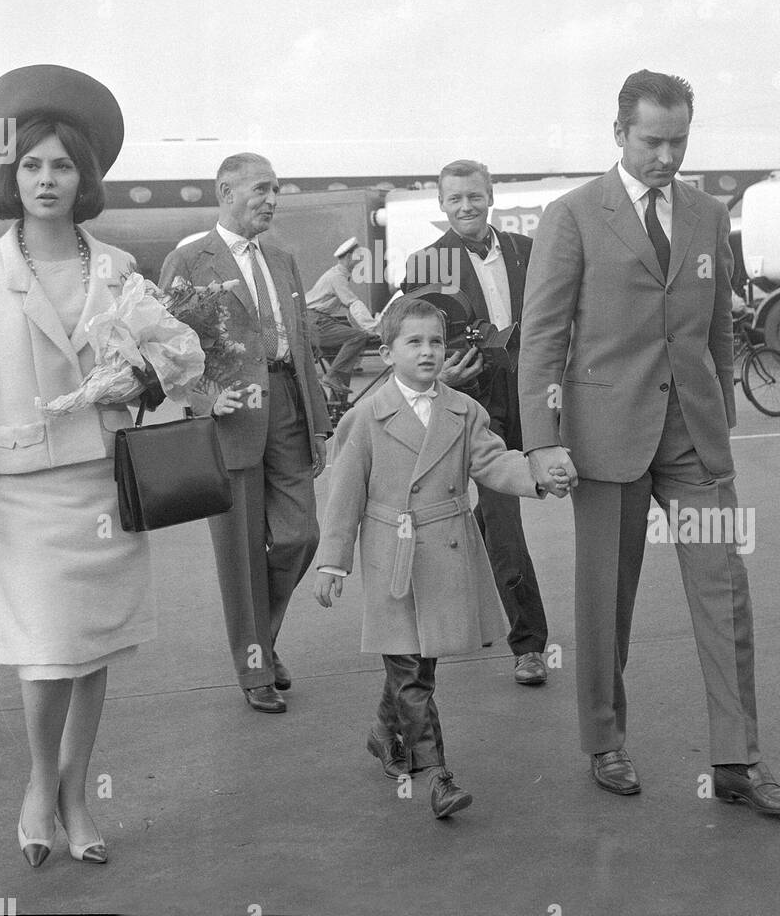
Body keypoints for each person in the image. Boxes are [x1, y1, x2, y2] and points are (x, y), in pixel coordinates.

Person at [0, 66, 221, 866]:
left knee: (92, 647)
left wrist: (153, 376)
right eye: (32, 165)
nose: (47, 179)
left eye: (62, 165)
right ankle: (40, 784)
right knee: (46, 650)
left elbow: (173, 361)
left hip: (105, 478)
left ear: (84, 177)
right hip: (24, 487)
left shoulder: (120, 267)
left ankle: (77, 788)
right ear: (11, 175)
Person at [519, 70, 780, 817]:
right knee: (606, 600)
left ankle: (739, 758)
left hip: (694, 441)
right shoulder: (573, 216)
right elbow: (543, 340)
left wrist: (721, 420)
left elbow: (716, 329)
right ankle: (604, 739)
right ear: (619, 134)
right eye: (653, 141)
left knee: (725, 596)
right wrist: (542, 440)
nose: (667, 156)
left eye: (679, 141)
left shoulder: (708, 215)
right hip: (605, 440)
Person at [313, 299, 565, 817]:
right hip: (394, 560)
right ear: (387, 352)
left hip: (446, 549)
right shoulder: (365, 418)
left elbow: (492, 462)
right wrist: (332, 562)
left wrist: (537, 476)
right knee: (412, 672)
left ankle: (384, 732)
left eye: (435, 341)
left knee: (417, 663)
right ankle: (438, 776)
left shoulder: (464, 410)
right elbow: (344, 496)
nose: (427, 352)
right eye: (413, 342)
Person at [159, 153, 330, 714]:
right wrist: (207, 397)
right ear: (225, 191)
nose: (271, 199)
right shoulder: (189, 259)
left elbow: (301, 343)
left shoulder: (282, 258)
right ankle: (254, 667)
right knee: (239, 554)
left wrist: (319, 422)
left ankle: (266, 636)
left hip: (285, 405)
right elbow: (165, 350)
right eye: (260, 189)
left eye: (276, 189)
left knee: (298, 535)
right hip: (228, 416)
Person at [401, 160, 552, 687]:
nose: (466, 206)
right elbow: (408, 338)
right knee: (481, 519)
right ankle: (515, 643)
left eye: (474, 196)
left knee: (498, 516)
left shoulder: (526, 251)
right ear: (441, 205)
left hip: (528, 396)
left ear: (491, 196)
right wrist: (441, 370)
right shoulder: (425, 264)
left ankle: (523, 640)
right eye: (454, 199)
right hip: (463, 402)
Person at [304, 237, 377, 399]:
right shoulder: (336, 277)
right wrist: (371, 328)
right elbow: (353, 303)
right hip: (315, 321)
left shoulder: (339, 276)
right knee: (357, 338)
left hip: (317, 320)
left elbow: (349, 310)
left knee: (344, 363)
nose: (360, 259)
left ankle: (338, 406)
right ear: (348, 256)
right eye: (358, 256)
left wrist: (363, 327)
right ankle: (330, 377)